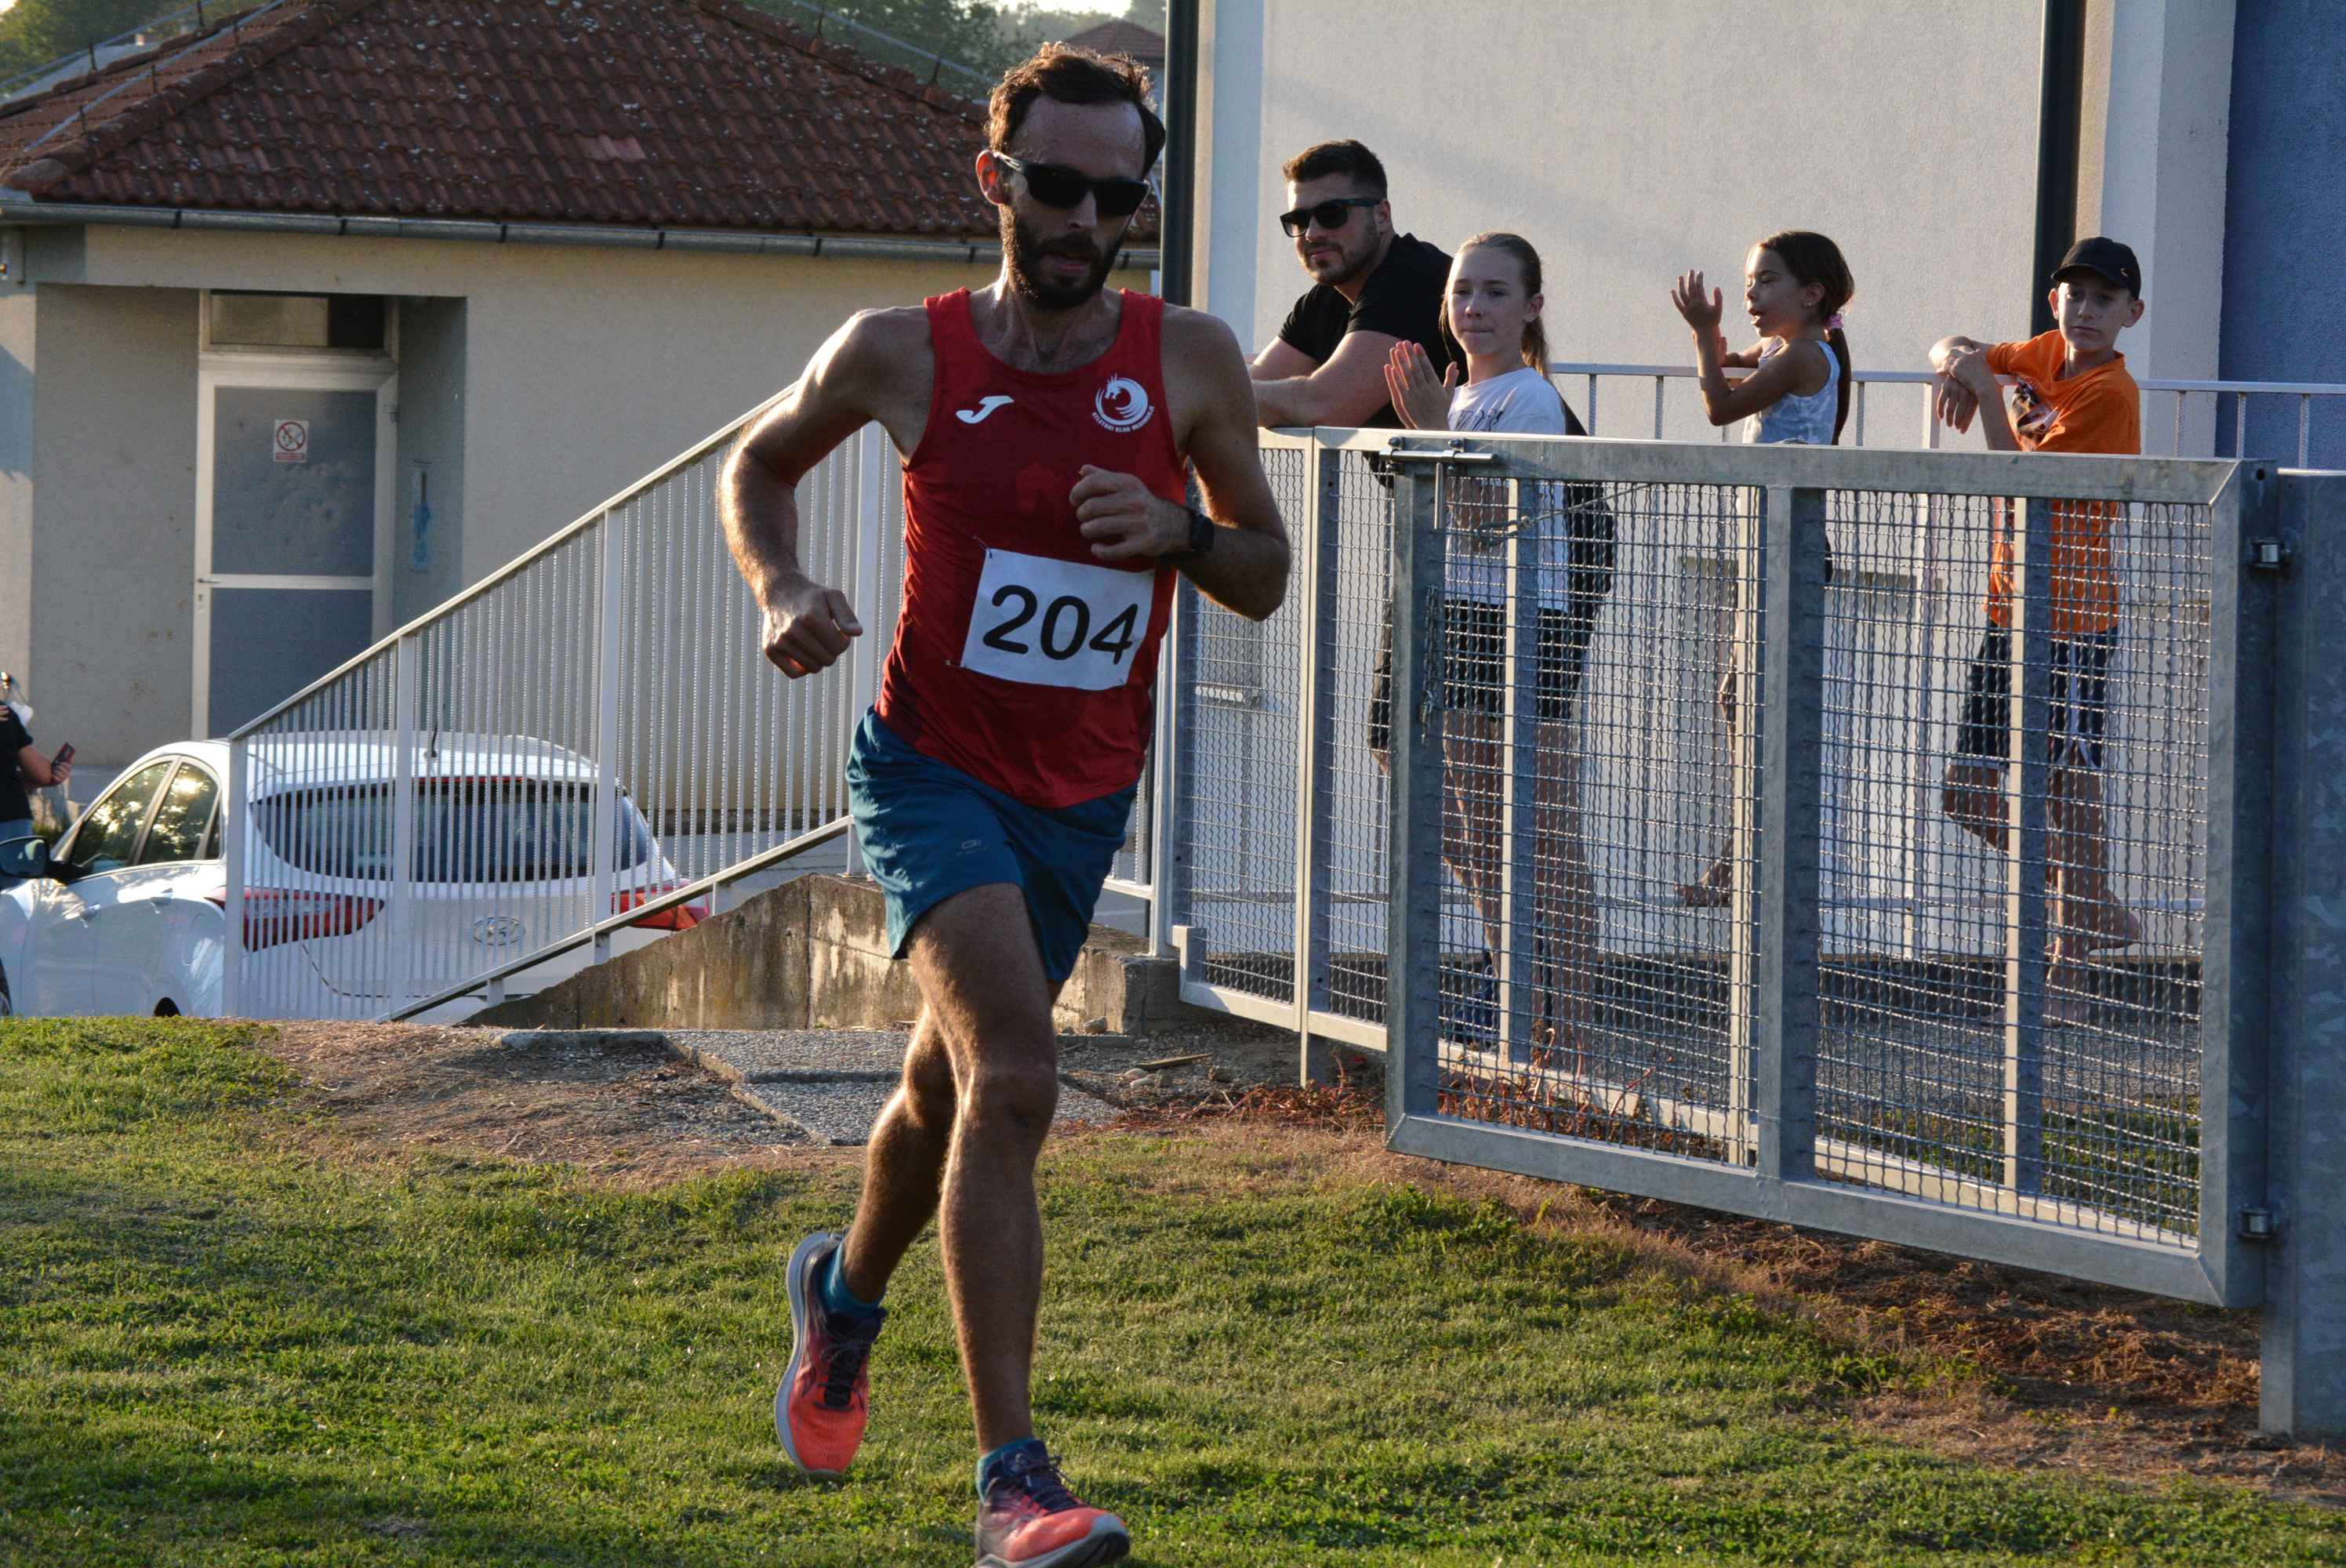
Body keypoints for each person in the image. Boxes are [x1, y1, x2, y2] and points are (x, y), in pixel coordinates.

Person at [718, 44, 1287, 1568]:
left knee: (942, 1092)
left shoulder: (1188, 361)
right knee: (1020, 1079)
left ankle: (838, 1301)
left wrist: (1176, 528)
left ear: (1136, 209)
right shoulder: (898, 351)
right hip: (928, 767)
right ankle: (1012, 1485)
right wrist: (781, 585)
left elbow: (1263, 570)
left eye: (1113, 196)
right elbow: (756, 463)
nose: (1079, 217)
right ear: (995, 180)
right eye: (1054, 185)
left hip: (1081, 792)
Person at [1380, 234, 1614, 1072]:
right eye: (1461, 293)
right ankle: (1519, 995)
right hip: (1459, 618)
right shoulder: (1456, 395)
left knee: (1545, 828)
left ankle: (1574, 1029)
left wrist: (1435, 431)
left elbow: (1484, 514)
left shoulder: (1529, 398)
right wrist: (1433, 426)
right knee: (1474, 824)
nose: (1472, 309)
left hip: (1528, 623)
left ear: (1531, 307)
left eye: (1493, 293)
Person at [1930, 236, 2148, 1024]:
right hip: (2010, 610)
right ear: (2055, 300)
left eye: (2103, 298)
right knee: (1965, 790)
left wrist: (1986, 396)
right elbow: (1951, 344)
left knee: (2071, 788)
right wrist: (1962, 366)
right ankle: (2089, 898)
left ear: (2131, 313)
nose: (2085, 310)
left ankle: (2068, 982)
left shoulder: (2109, 395)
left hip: (2077, 620)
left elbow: (2019, 487)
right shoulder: (2046, 351)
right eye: (2073, 294)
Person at [1667, 230, 1855, 907]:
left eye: (1767, 281)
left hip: (1791, 552)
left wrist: (1702, 341)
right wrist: (1713, 336)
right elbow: (1729, 364)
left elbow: (1719, 404)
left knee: (1760, 708)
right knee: (1740, 699)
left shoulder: (1806, 356)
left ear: (1811, 294)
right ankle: (1741, 852)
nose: (1753, 292)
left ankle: (1747, 859)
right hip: (1766, 553)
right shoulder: (1785, 349)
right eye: (1750, 281)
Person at [1249, 139, 1455, 428]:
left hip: (1490, 473)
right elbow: (1254, 386)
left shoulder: (1411, 280)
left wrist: (1201, 388)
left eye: (1332, 214)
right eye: (1299, 220)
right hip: (1432, 475)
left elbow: (1323, 406)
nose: (1312, 234)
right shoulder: (1328, 297)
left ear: (1382, 216)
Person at [0, 684, 70, 847]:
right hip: (13, 820)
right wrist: (55, 775)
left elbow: (41, 775)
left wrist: (51, 775)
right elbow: (41, 774)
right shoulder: (5, 714)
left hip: (11, 820)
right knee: (16, 871)